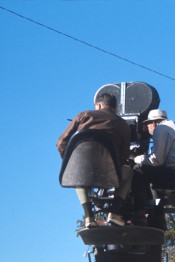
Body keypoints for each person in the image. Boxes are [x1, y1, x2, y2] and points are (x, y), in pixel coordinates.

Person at [56, 93, 131, 228]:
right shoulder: (123, 125)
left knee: (76, 173)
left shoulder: (83, 116)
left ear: (98, 105)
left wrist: (71, 162)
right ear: (115, 109)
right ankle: (114, 213)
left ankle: (89, 216)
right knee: (129, 172)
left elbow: (61, 142)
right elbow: (124, 157)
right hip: (111, 174)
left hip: (83, 172)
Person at [132, 109, 175, 229]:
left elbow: (157, 161)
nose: (147, 130)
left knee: (138, 169)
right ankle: (158, 217)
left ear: (153, 123)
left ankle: (139, 213)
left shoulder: (160, 129)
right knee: (152, 174)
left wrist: (137, 158)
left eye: (147, 125)